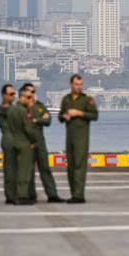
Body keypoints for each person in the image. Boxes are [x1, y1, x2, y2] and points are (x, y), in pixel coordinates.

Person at [59, 74, 99, 204]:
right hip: (69, 137)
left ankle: (79, 195)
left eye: (81, 84)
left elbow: (94, 115)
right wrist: (65, 116)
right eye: (76, 84)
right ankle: (73, 193)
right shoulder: (66, 99)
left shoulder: (87, 100)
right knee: (70, 166)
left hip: (81, 137)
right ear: (71, 85)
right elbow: (60, 116)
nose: (79, 87)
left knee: (79, 166)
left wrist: (79, 113)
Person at [25, 84, 63, 203]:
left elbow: (48, 120)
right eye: (29, 92)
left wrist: (37, 120)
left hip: (40, 142)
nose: (32, 94)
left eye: (33, 91)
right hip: (26, 142)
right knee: (28, 170)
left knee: (45, 169)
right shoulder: (21, 107)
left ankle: (52, 195)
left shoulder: (39, 106)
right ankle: (30, 195)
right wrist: (39, 120)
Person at [6, 86, 39, 205]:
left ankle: (15, 195)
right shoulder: (24, 111)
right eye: (28, 97)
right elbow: (28, 129)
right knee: (25, 172)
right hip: (24, 143)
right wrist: (33, 140)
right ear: (22, 97)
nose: (30, 99)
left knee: (16, 170)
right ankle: (22, 196)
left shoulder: (11, 110)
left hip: (14, 141)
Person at [0, 84, 17, 205]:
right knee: (9, 170)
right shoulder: (2, 108)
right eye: (10, 94)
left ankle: (17, 193)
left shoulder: (14, 108)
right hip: (9, 140)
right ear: (4, 95)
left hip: (18, 140)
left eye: (14, 94)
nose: (13, 96)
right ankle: (10, 195)